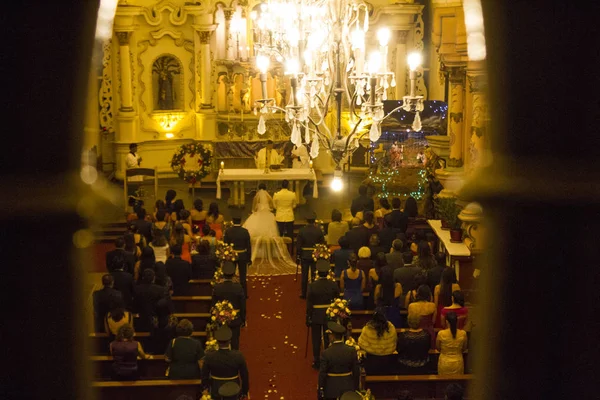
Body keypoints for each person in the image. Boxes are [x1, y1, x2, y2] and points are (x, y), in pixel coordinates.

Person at [242, 184, 296, 275]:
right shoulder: (269, 196)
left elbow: (254, 207)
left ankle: (256, 252)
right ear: (266, 188)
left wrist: (256, 211)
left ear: (258, 189)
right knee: (271, 233)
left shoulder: (256, 197)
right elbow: (272, 206)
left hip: (258, 214)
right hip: (268, 215)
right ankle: (271, 252)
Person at [307, 259, 341, 369]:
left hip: (316, 314)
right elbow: (337, 299)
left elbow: (309, 304)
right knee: (328, 337)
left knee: (316, 338)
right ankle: (328, 360)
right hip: (329, 314)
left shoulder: (312, 286)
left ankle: (316, 360)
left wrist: (308, 316)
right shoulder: (333, 284)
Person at [201, 326, 249, 398]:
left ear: (217, 341)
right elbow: (244, 375)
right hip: (234, 388)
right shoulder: (238, 356)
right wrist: (244, 392)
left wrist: (206, 388)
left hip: (215, 389)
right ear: (229, 341)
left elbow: (204, 375)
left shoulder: (210, 356)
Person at [318, 322, 360, 400]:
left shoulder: (326, 353)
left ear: (332, 337)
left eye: (330, 335)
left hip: (331, 389)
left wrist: (321, 388)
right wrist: (356, 387)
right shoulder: (351, 350)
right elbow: (356, 371)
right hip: (348, 388)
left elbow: (322, 373)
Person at [211, 261, 246, 350]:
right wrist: (243, 319)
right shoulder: (238, 287)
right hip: (235, 318)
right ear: (233, 274)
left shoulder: (217, 287)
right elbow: (242, 304)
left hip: (220, 318)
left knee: (221, 340)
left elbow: (213, 305)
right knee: (235, 341)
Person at [358, 310, 398, 375]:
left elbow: (361, 344)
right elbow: (394, 342)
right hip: (388, 362)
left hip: (371, 362)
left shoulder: (367, 329)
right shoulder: (391, 328)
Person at [296, 210, 325, 299]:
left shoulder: (302, 231)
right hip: (315, 254)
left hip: (305, 255)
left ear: (306, 220)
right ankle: (313, 293)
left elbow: (299, 245)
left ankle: (304, 293)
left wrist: (298, 255)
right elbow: (322, 244)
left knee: (304, 275)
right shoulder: (319, 230)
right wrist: (318, 254)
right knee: (314, 275)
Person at [224, 212, 252, 297]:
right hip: (243, 255)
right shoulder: (245, 231)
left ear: (232, 221)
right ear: (241, 221)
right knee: (243, 276)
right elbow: (248, 246)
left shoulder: (228, 231)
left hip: (232, 255)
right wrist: (249, 258)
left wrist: (226, 256)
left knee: (230, 274)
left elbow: (226, 244)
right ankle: (244, 294)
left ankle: (231, 293)